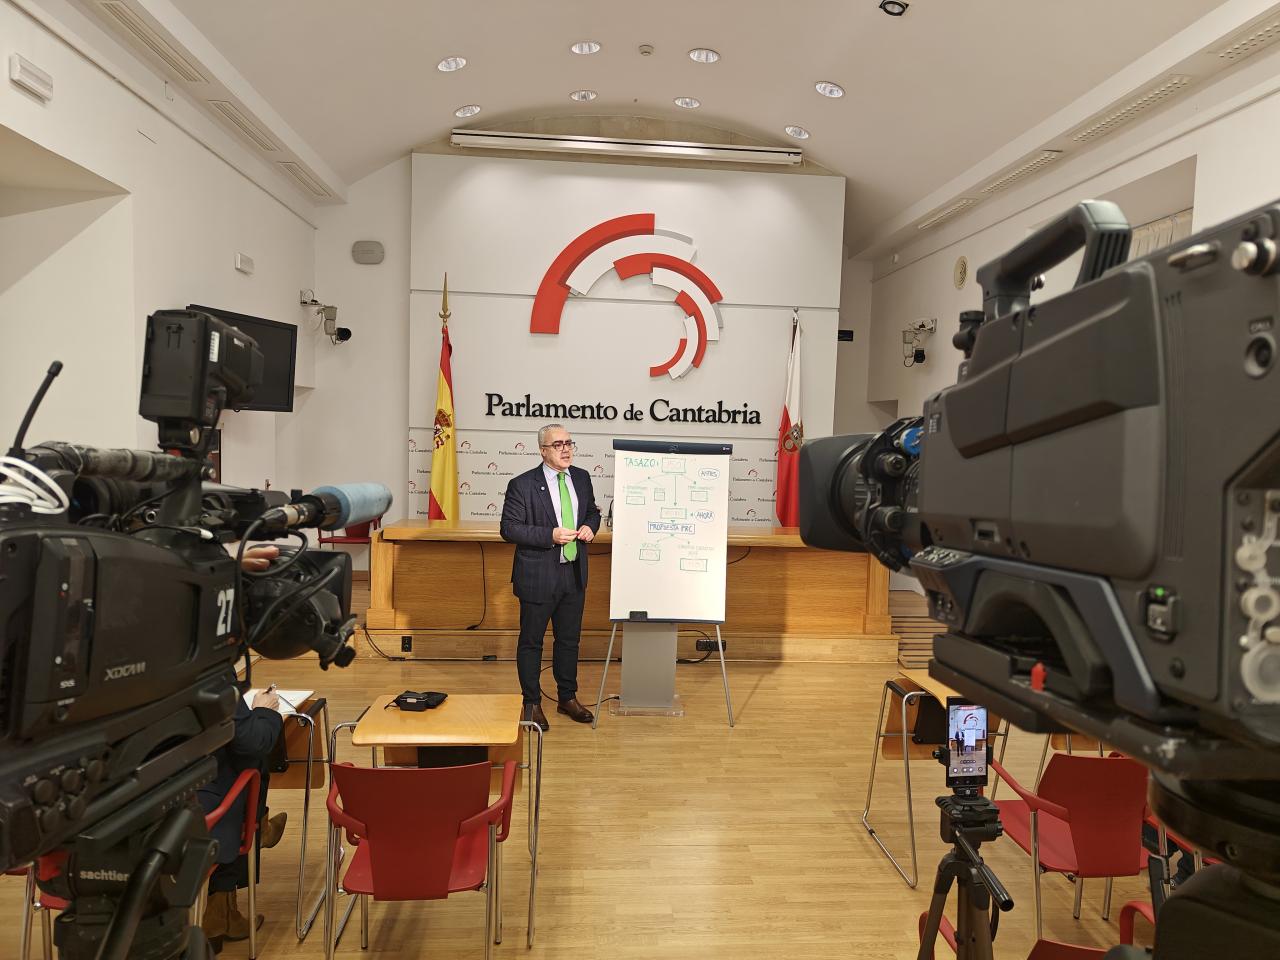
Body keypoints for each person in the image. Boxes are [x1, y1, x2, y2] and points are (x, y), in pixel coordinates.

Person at [198, 545, 289, 951]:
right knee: (249, 757)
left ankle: (223, 912)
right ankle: (259, 824)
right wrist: (267, 711)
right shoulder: (202, 666)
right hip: (196, 817)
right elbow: (251, 738)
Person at [500, 424, 601, 730]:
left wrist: (590, 527)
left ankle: (567, 698)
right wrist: (550, 534)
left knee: (568, 641)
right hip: (537, 575)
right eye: (558, 445)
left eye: (569, 443)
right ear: (542, 450)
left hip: (573, 572)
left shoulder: (581, 478)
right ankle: (531, 704)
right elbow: (509, 528)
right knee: (532, 642)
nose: (566, 449)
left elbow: (592, 512)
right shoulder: (522, 485)